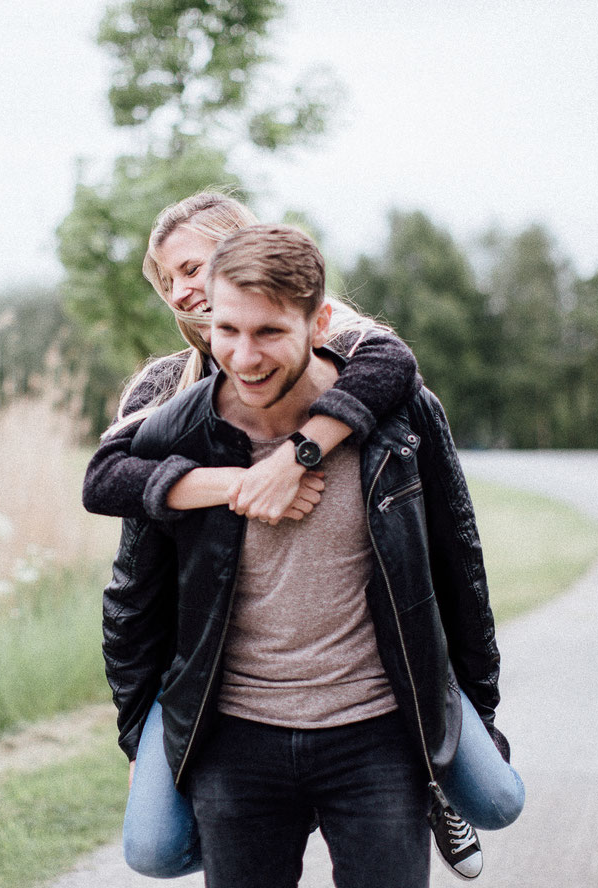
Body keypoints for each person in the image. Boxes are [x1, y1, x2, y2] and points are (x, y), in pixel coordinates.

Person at [84, 194, 521, 880]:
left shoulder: (370, 372)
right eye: (170, 280)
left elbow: (453, 554)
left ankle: (438, 784)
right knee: (154, 847)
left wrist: (299, 454)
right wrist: (239, 485)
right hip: (234, 710)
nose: (184, 290)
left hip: (369, 706)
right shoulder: (168, 397)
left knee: (496, 797)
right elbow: (111, 503)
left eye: (195, 266)